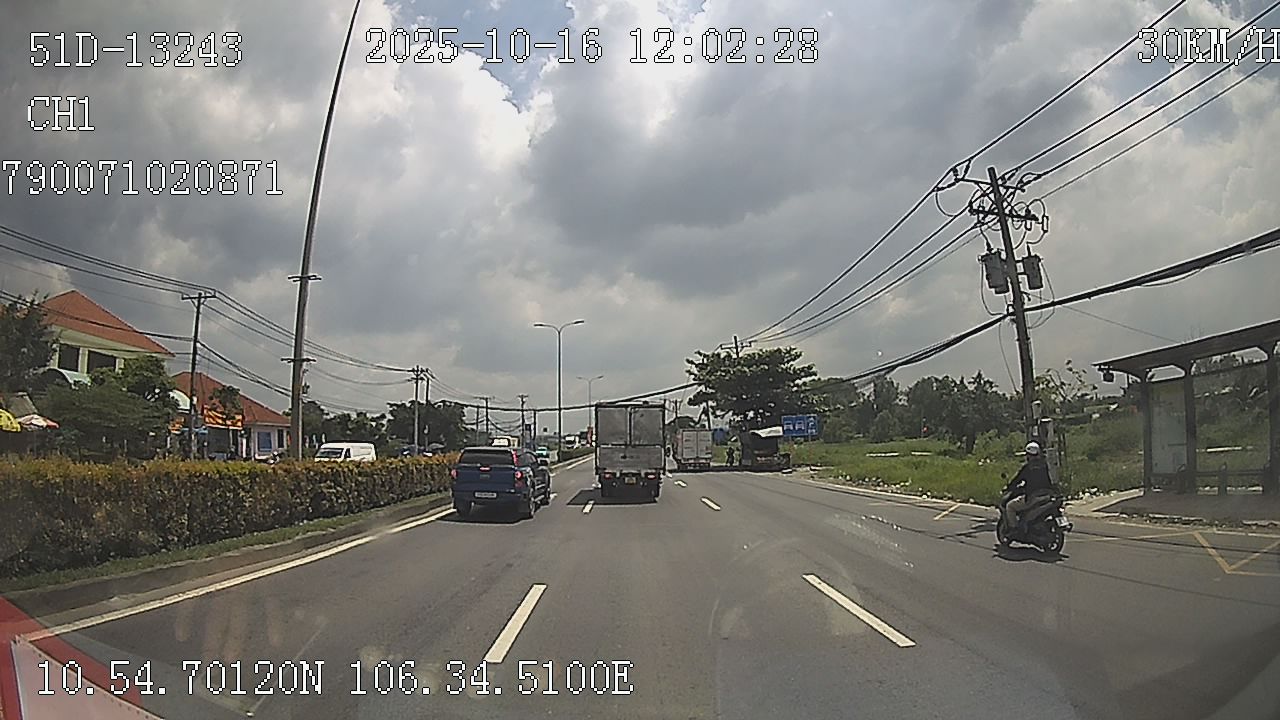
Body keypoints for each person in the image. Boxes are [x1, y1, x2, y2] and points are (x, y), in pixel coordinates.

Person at [1001, 441, 1055, 532]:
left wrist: (1009, 487)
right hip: (1046, 494)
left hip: (1033, 496)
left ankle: (1015, 529)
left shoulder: (1028, 467)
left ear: (1028, 455)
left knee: (1010, 506)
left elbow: (1017, 480)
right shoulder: (1044, 465)